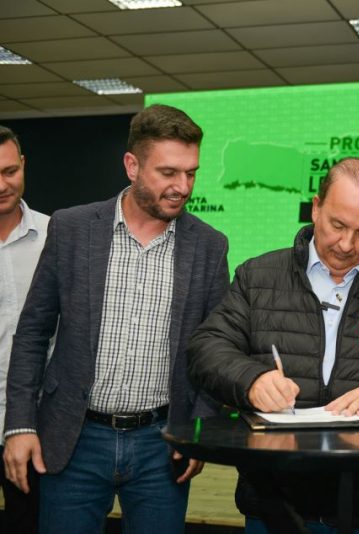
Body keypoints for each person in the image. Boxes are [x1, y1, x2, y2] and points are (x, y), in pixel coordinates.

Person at [2, 104, 230, 533]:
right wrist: (19, 424)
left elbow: (215, 350)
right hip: (73, 437)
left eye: (191, 173)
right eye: (168, 172)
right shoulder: (71, 229)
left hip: (162, 445)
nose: (182, 186)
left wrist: (200, 429)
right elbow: (33, 332)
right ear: (132, 165)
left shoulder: (209, 246)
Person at [187, 157, 359, 533]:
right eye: (338, 224)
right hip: (273, 499)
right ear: (317, 206)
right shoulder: (258, 277)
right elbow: (206, 348)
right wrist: (252, 380)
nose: (347, 244)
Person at [0, 125, 49, 533]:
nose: (2, 185)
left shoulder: (59, 236)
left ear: (24, 166)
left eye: (9, 171)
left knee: (29, 525)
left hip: (38, 424)